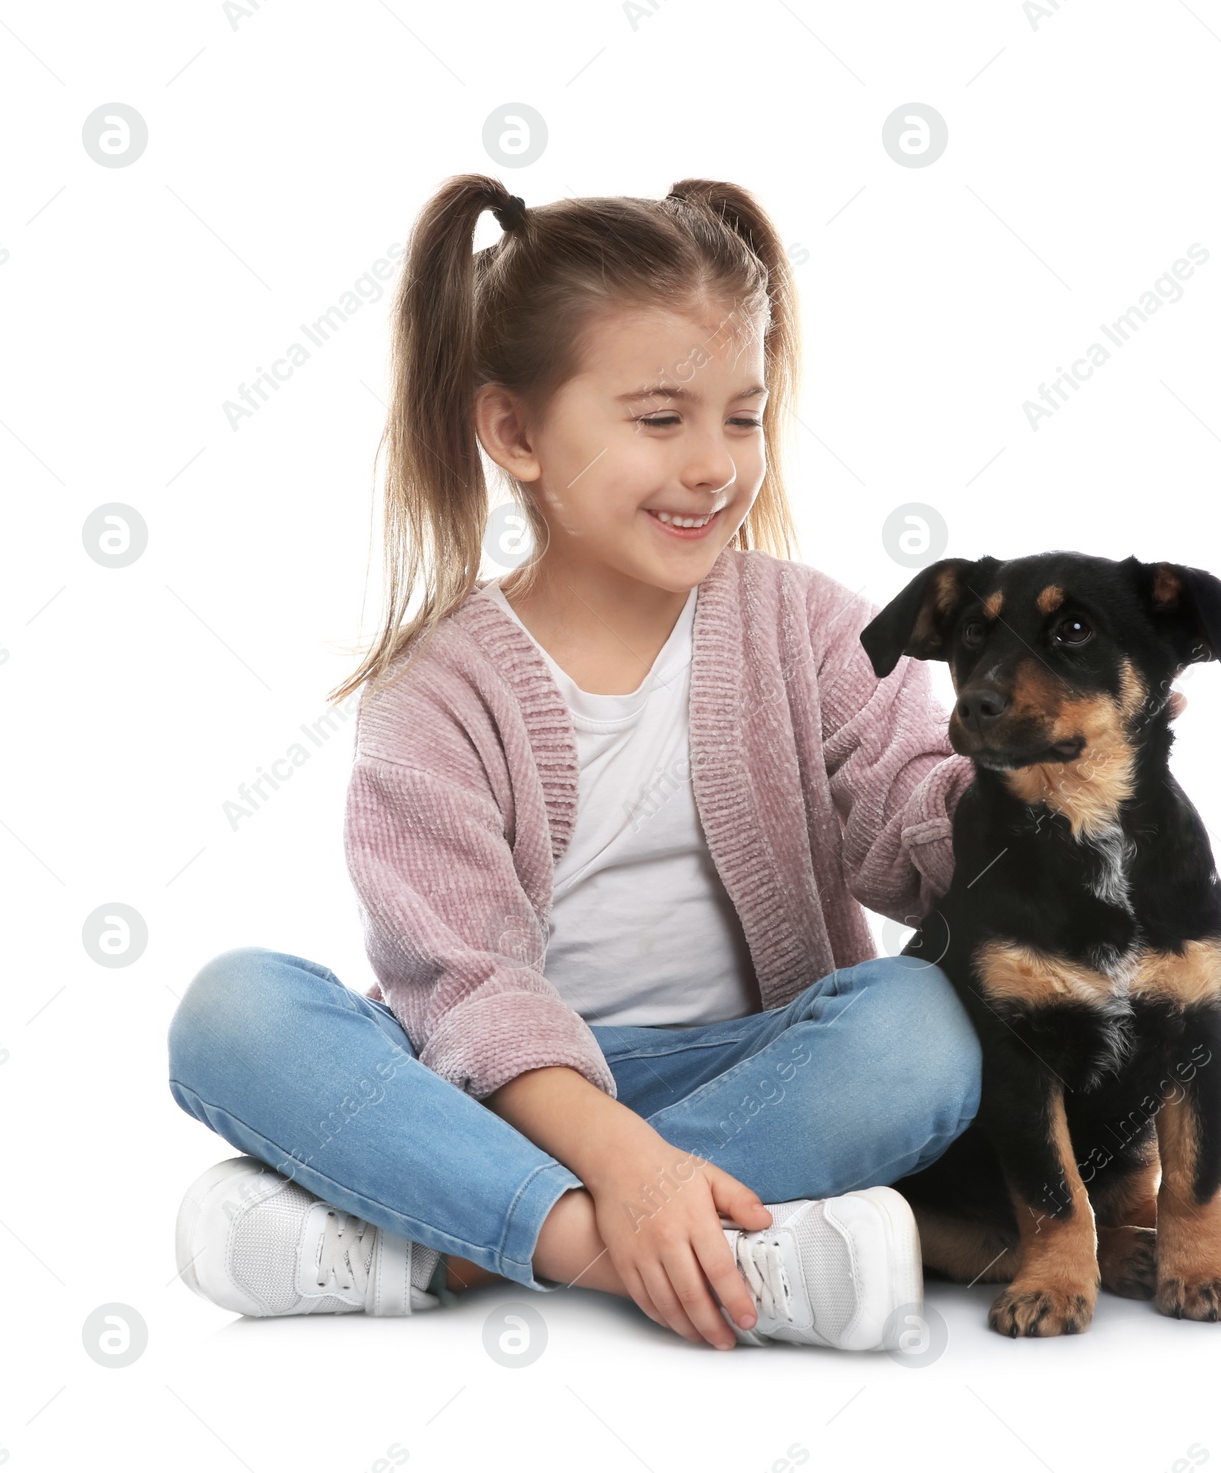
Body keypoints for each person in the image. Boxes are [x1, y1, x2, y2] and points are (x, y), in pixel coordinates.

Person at [166, 174, 988, 1353]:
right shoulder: (436, 692)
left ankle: (440, 1236)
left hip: (745, 1074)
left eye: (742, 417)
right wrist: (621, 1168)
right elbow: (463, 981)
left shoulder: (810, 630)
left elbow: (913, 832)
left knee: (917, 1024)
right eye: (660, 421)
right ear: (516, 434)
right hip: (490, 1091)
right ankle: (659, 1251)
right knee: (234, 1011)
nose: (714, 465)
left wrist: (1030, 780)